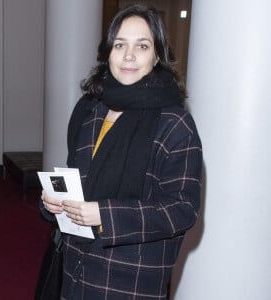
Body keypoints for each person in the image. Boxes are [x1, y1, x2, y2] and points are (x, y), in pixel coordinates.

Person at [40, 4, 202, 299]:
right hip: (75, 270)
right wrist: (55, 201)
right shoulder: (89, 109)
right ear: (108, 53)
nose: (129, 55)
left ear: (157, 56)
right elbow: (79, 180)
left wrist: (104, 215)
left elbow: (182, 210)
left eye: (142, 45)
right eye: (120, 44)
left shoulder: (175, 124)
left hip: (130, 280)